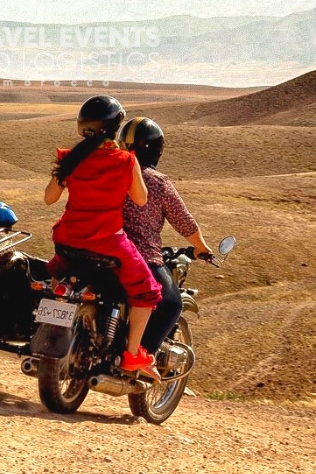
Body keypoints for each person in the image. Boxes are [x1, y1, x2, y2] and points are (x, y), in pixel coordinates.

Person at [44, 95, 163, 380]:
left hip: (68, 240)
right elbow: (141, 198)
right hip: (108, 242)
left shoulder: (69, 158)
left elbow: (49, 198)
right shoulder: (126, 160)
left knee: (56, 275)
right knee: (148, 290)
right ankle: (133, 353)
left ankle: (49, 326)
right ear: (114, 127)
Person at [120, 116, 213, 357]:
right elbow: (183, 221)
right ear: (156, 148)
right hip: (140, 254)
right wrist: (202, 247)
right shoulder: (157, 181)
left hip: (98, 245)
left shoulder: (109, 171)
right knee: (172, 304)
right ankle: (141, 357)